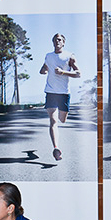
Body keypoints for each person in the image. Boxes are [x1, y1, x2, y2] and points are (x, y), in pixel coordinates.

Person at [40, 33, 81, 161]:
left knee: (62, 120)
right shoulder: (48, 56)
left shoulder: (69, 56)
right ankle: (56, 148)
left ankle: (60, 117)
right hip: (51, 92)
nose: (57, 41)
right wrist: (43, 70)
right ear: (53, 42)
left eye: (59, 40)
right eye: (55, 40)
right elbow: (45, 67)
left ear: (63, 42)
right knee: (53, 121)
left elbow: (78, 73)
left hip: (64, 93)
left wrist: (63, 72)